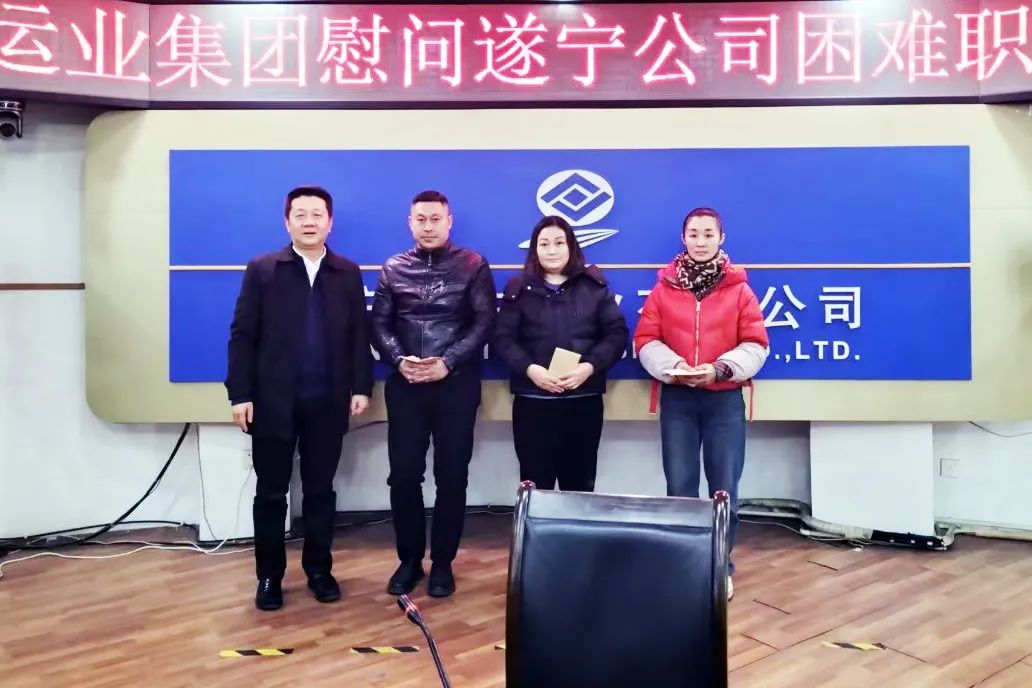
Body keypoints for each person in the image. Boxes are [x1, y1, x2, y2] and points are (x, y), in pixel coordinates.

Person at [225, 185, 373, 611]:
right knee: (271, 493)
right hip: (272, 402)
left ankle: (319, 571)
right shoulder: (263, 269)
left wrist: (361, 386)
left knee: (320, 490)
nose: (309, 222)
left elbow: (358, 335)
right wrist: (240, 394)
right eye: (301, 214)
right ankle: (269, 576)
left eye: (317, 214)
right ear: (287, 222)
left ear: (330, 222)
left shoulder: (347, 272)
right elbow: (242, 335)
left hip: (327, 400)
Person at [633, 207, 769, 601]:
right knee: (680, 488)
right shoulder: (664, 288)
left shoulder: (740, 290)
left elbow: (757, 344)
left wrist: (721, 369)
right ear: (684, 238)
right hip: (679, 399)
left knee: (724, 487)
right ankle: (683, 564)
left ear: (721, 238)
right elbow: (645, 339)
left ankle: (719, 566)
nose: (701, 241)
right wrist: (673, 367)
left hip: (724, 400)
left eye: (708, 234)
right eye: (694, 234)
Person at [371, 190, 496, 598]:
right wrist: (398, 359)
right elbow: (379, 324)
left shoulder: (473, 264)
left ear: (449, 221)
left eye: (435, 219)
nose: (428, 226)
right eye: (420, 220)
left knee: (452, 475)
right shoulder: (393, 267)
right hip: (406, 385)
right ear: (410, 223)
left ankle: (443, 563)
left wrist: (448, 361)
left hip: (455, 385)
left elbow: (484, 322)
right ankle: (409, 560)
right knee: (404, 476)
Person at [493, 215, 628, 492]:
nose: (551, 250)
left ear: (571, 247)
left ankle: (575, 524)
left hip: (583, 400)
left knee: (578, 485)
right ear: (535, 249)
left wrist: (589, 367)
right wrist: (531, 370)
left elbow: (616, 335)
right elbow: (503, 339)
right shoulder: (518, 289)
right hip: (533, 401)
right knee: (535, 486)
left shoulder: (594, 287)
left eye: (558, 243)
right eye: (544, 244)